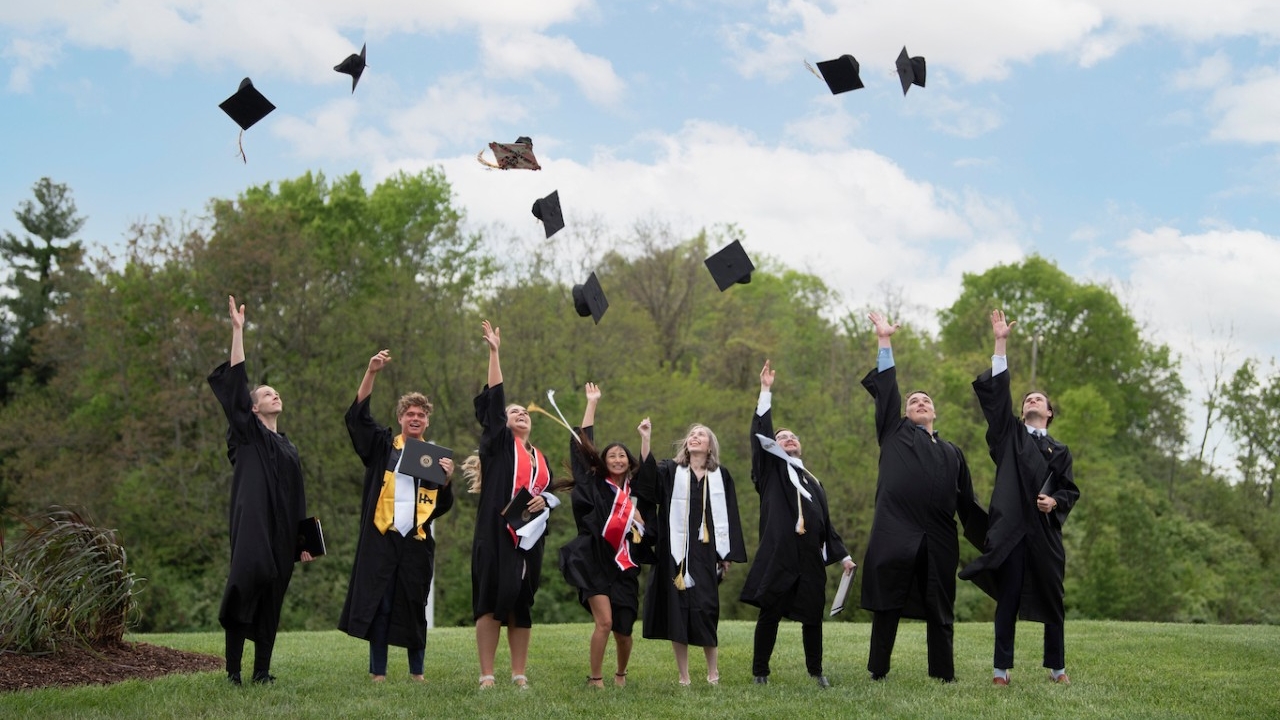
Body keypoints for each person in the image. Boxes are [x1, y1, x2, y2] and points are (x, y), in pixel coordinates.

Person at [859, 312, 985, 683]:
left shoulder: (953, 452)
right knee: (888, 605)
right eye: (913, 400)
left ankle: (944, 674)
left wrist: (996, 540)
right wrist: (885, 340)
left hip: (939, 537)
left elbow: (968, 504)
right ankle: (878, 670)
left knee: (941, 606)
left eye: (925, 400)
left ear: (934, 412)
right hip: (895, 530)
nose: (919, 402)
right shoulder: (894, 431)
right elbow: (888, 388)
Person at [959, 309, 1081, 686]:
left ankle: (1056, 668)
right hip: (1011, 529)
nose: (1031, 399)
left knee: (1053, 600)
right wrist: (1001, 344)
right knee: (1007, 599)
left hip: (1044, 534)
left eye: (1039, 398)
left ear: (1049, 412)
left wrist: (1055, 503)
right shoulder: (1009, 436)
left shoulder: (1060, 451)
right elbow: (996, 399)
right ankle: (1001, 670)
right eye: (1027, 397)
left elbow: (1069, 489)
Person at [207, 295, 313, 686]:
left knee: (273, 596)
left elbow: (298, 497)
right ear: (253, 409)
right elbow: (236, 386)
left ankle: (261, 670)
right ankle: (233, 670)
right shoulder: (247, 436)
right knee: (245, 585)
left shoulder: (288, 447)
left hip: (283, 533)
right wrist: (237, 333)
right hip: (253, 530)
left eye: (276, 393)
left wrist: (305, 539)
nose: (274, 395)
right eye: (267, 393)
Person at [338, 349, 455, 683]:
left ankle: (417, 672)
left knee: (414, 607)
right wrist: (371, 372)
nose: (415, 418)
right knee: (381, 606)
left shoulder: (434, 459)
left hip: (416, 542)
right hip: (382, 538)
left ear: (427, 421)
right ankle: (378, 672)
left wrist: (446, 482)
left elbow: (440, 508)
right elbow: (357, 418)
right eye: (410, 414)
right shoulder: (384, 446)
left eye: (421, 414)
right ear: (401, 417)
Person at [740, 359, 855, 688]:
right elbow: (760, 434)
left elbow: (825, 525)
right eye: (782, 437)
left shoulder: (813, 480)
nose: (789, 439)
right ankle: (761, 671)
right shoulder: (770, 471)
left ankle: (816, 672)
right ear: (773, 446)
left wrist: (843, 556)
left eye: (793, 436)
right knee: (771, 612)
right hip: (781, 554)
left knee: (812, 617)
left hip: (810, 558)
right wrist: (765, 391)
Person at [466, 320, 561, 689]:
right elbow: (495, 401)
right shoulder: (499, 446)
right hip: (496, 533)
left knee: (521, 604)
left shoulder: (540, 457)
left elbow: (547, 493)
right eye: (514, 411)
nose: (520, 413)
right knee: (491, 601)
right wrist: (494, 353)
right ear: (503, 424)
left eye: (525, 411)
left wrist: (546, 500)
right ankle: (487, 674)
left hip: (530, 538)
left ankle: (518, 672)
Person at [633, 416, 746, 686]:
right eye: (692, 434)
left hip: (706, 552)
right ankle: (684, 676)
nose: (694, 437)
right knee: (677, 610)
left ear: (710, 446)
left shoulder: (721, 475)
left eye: (701, 435)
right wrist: (646, 438)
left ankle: (712, 672)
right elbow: (646, 481)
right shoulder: (670, 470)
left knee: (706, 608)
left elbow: (730, 513)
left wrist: (725, 553)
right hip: (674, 551)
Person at [558, 382, 647, 688]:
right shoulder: (595, 485)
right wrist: (591, 403)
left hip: (624, 565)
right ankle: (595, 678)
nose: (618, 459)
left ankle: (621, 673)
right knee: (605, 623)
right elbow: (582, 448)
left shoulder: (636, 494)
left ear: (629, 461)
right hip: (594, 559)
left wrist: (640, 519)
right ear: (605, 461)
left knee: (623, 630)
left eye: (623, 455)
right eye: (612, 455)